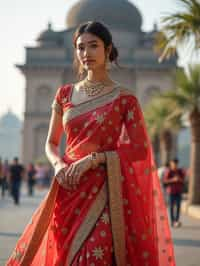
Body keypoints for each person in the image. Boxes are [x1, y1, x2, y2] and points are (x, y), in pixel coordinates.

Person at [6, 21, 176, 266]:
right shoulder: (64, 94)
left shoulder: (125, 98)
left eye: (93, 46)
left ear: (108, 49)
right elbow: (52, 143)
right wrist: (57, 166)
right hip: (68, 188)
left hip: (106, 193)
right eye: (80, 47)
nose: (86, 53)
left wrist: (95, 159)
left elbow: (139, 150)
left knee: (95, 257)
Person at [163, 158, 185, 228]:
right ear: (171, 164)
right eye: (173, 164)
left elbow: (183, 180)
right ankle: (173, 221)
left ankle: (176, 220)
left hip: (178, 191)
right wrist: (173, 179)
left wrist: (179, 179)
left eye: (176, 164)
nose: (175, 165)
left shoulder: (180, 171)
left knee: (178, 206)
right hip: (171, 192)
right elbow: (165, 181)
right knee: (172, 207)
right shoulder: (169, 171)